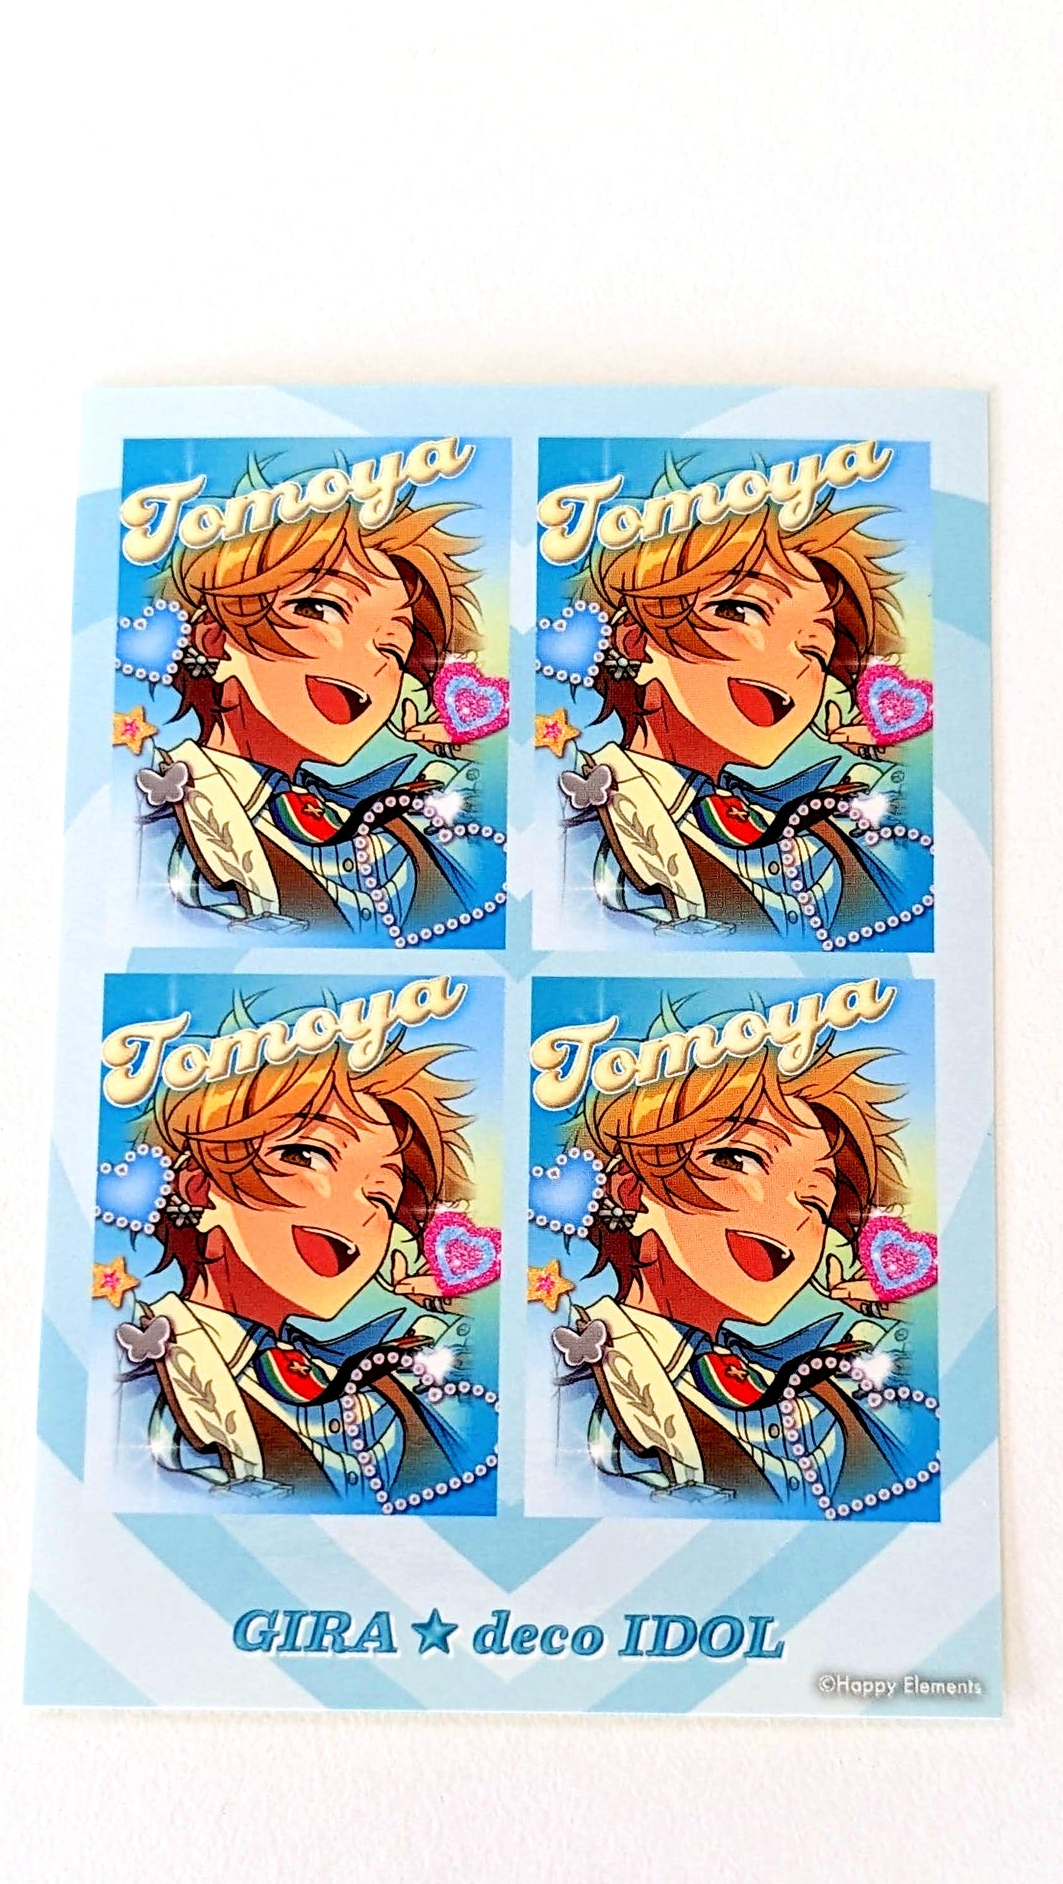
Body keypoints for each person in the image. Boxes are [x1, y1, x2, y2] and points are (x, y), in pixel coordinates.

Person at [559, 1022, 937, 1515]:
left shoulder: (819, 1383)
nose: (792, 1212)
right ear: (632, 1192)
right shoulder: (579, 1383)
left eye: (815, 1199)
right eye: (737, 1159)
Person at [127, 1023, 497, 1510]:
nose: (358, 1209)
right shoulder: (145, 1372)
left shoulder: (380, 1378)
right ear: (200, 1188)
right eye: (305, 1156)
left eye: (381, 1196)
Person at [134, 475, 503, 946]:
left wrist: (478, 746)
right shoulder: (163, 819)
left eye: (392, 646)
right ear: (217, 639)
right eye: (318, 609)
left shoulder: (392, 818)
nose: (370, 659)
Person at [562, 481, 930, 946]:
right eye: (739, 611)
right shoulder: (582, 825)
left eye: (815, 648)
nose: (793, 661)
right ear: (637, 642)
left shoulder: (818, 825)